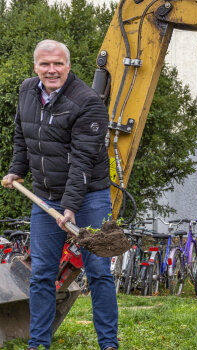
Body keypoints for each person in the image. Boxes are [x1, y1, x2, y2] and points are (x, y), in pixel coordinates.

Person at [2, 40, 118, 350]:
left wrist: (69, 207)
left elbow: (83, 159)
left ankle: (108, 343)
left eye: (58, 64)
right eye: (44, 64)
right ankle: (38, 343)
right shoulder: (28, 90)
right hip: (45, 195)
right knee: (41, 273)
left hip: (90, 196)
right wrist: (17, 169)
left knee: (97, 270)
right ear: (35, 66)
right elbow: (21, 134)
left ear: (68, 65)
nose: (51, 70)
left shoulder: (88, 101)